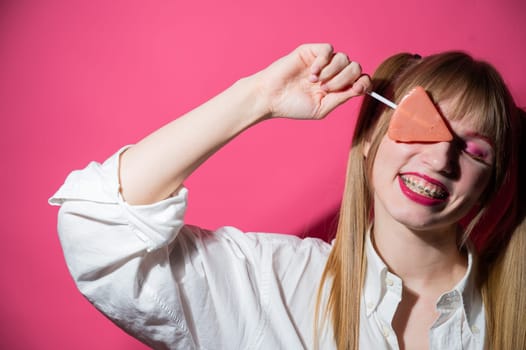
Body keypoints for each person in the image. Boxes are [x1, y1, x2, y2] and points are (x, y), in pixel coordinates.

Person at [50, 43, 525, 349]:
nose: (441, 159)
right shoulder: (271, 285)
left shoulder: (514, 312)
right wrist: (257, 97)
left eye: (473, 151)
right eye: (421, 128)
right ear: (367, 142)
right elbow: (100, 228)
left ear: (492, 179)